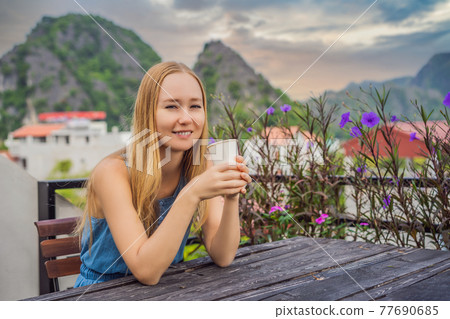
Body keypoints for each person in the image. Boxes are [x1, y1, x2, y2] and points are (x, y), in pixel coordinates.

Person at [73, 62, 251, 287]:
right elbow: (146, 271)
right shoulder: (112, 172)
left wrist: (231, 196)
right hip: (102, 294)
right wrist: (191, 194)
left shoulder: (200, 163)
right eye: (171, 107)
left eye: (195, 106)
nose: (187, 118)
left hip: (168, 290)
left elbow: (223, 256)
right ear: (148, 113)